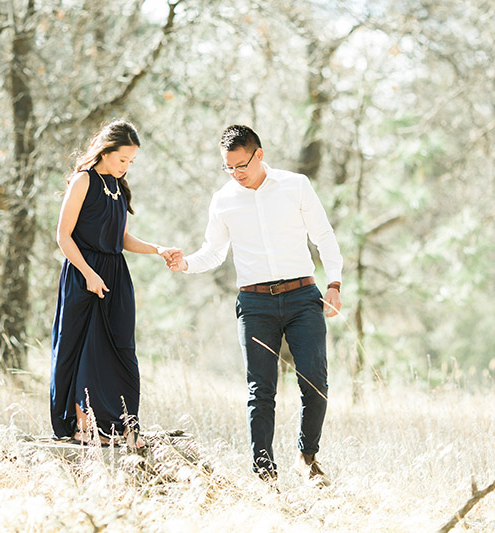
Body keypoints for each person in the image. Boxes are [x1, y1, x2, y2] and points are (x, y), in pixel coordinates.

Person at [168, 125, 343, 484]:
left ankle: (307, 457)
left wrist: (335, 284)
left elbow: (323, 235)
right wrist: (186, 263)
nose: (235, 174)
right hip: (255, 304)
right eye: (228, 168)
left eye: (241, 165)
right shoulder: (224, 199)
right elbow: (214, 252)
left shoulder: (296, 186)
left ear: (259, 155)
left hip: (302, 298)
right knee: (260, 391)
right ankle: (265, 475)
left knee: (315, 382)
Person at [50, 120, 176, 448]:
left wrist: (157, 249)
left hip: (116, 276)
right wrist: (89, 274)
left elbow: (121, 238)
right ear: (105, 152)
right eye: (123, 160)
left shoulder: (119, 185)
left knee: (121, 351)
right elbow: (63, 236)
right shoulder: (83, 181)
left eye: (131, 162)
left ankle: (124, 426)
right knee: (86, 350)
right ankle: (84, 427)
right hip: (84, 274)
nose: (126, 167)